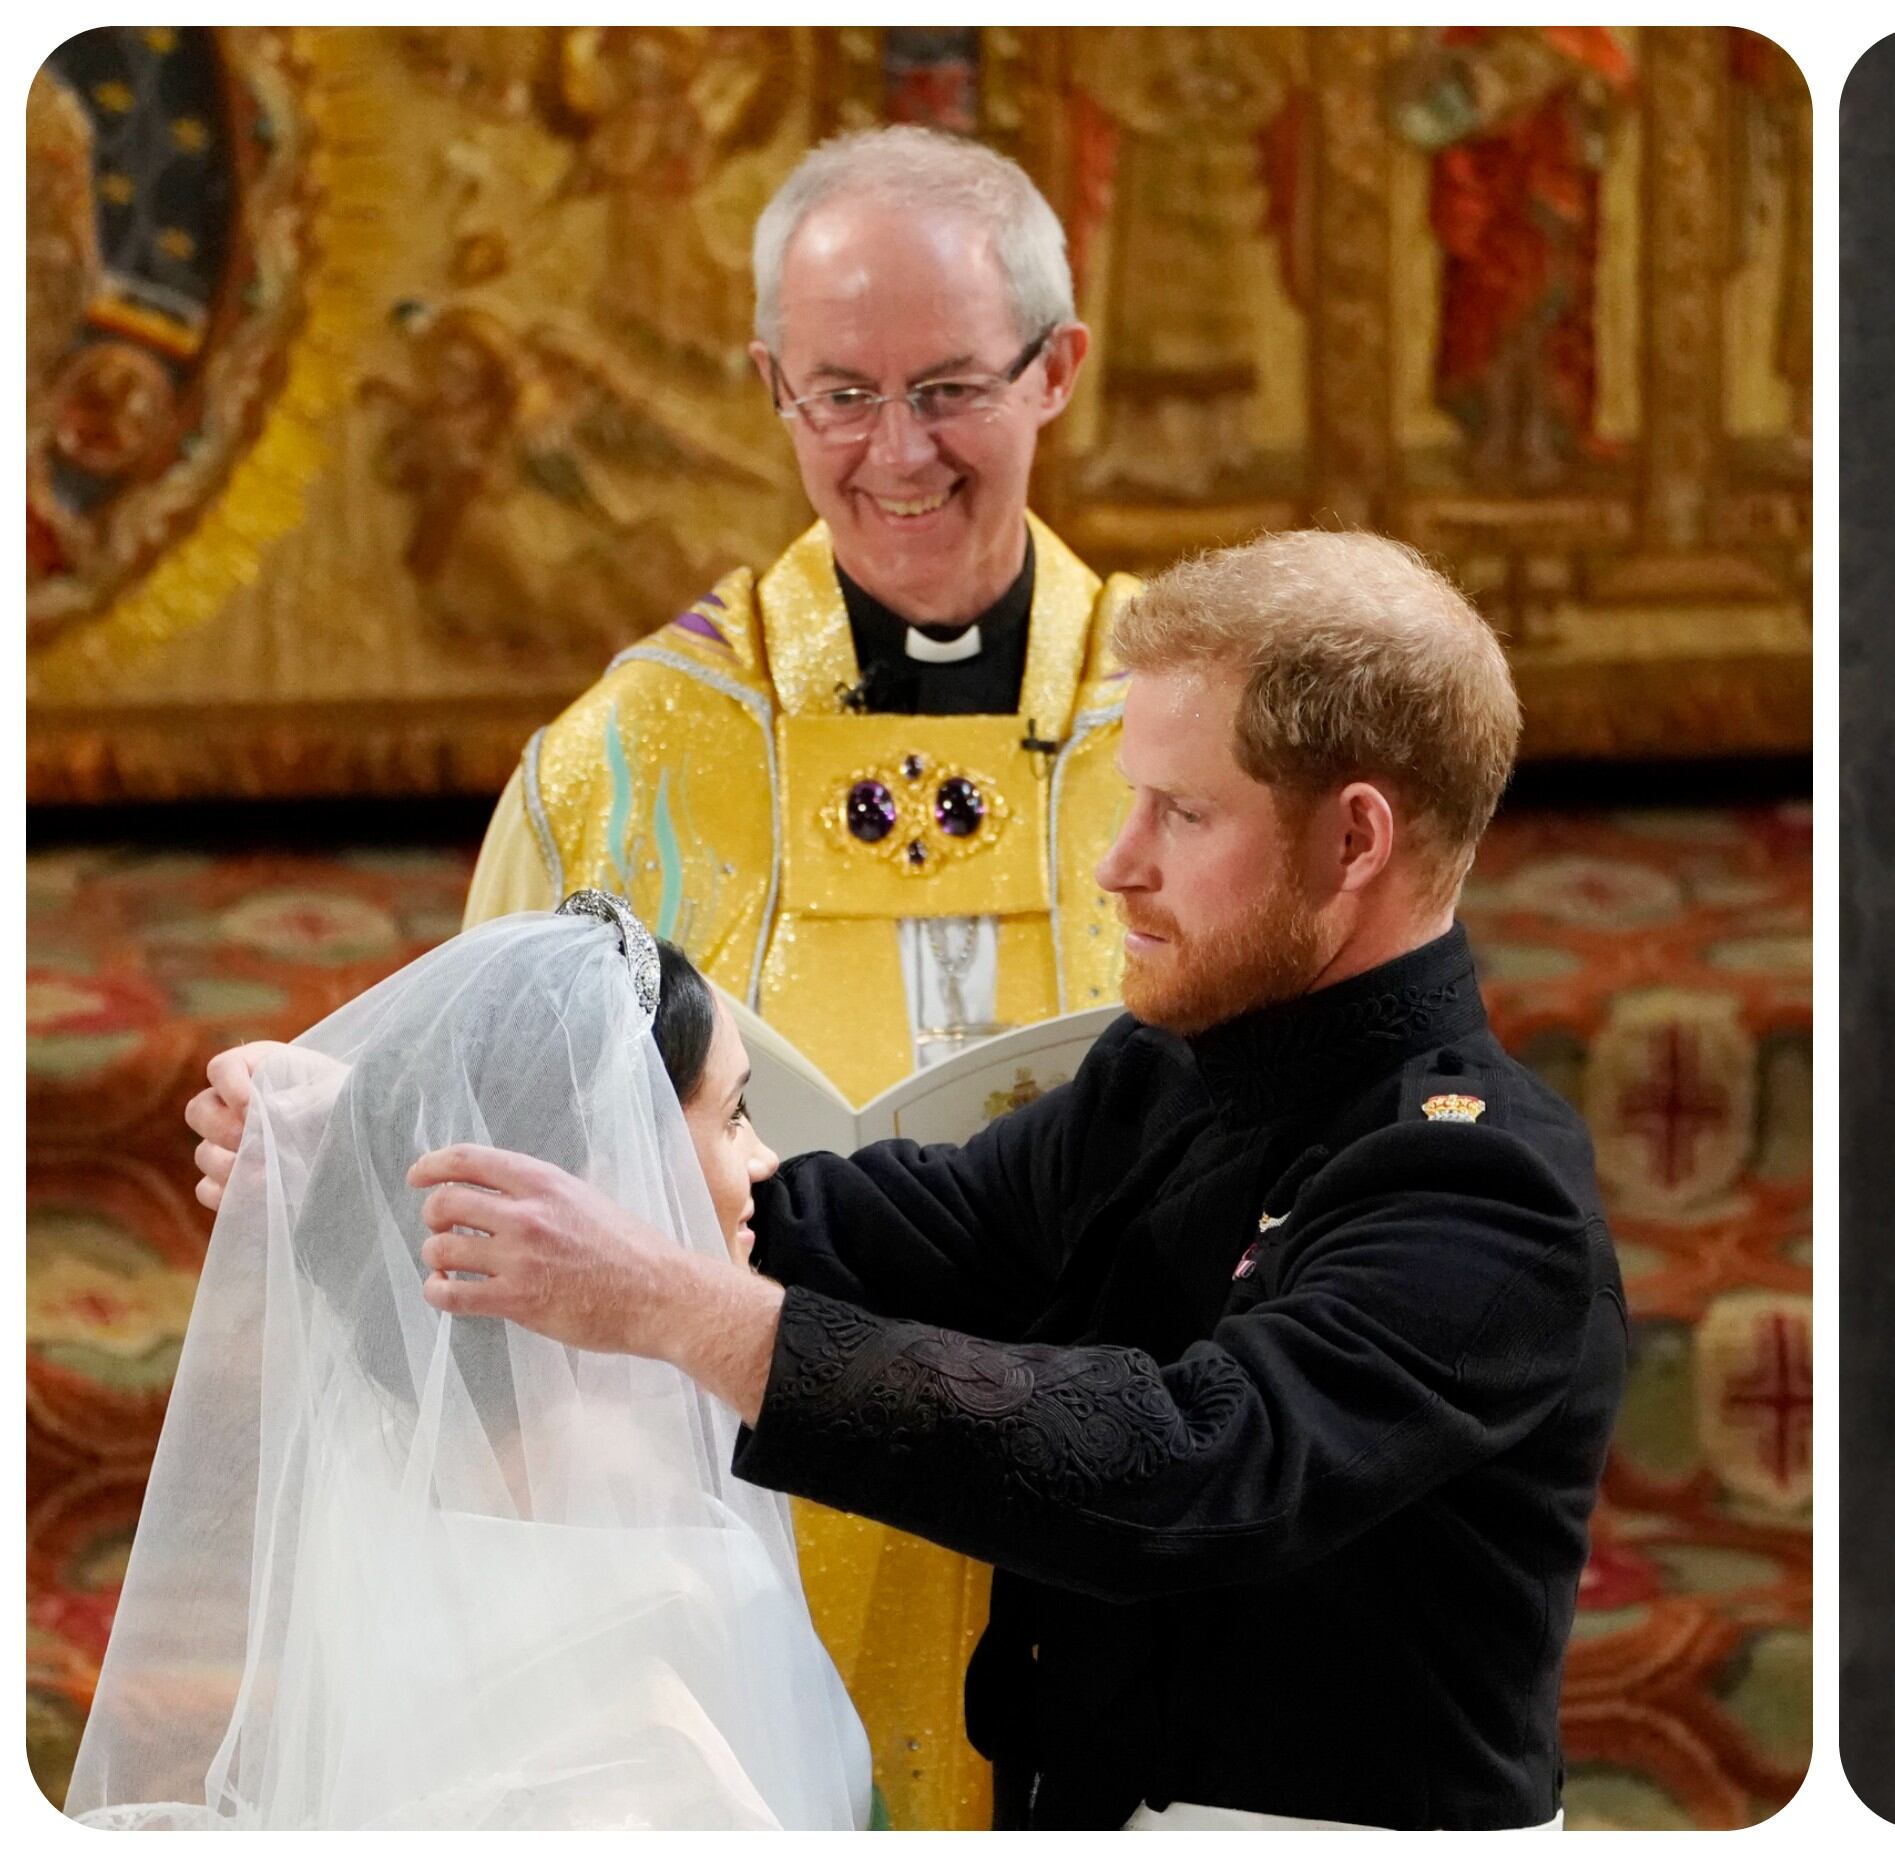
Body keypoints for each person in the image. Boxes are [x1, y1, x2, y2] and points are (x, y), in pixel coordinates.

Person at [191, 531, 1629, 1830]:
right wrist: (389, 1138)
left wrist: (680, 1307)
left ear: (1356, 839)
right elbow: (911, 1232)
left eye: (1182, 816)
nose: (1118, 864)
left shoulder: (1481, 1188)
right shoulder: (1175, 1069)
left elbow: (1188, 1465)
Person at [466, 122, 1142, 1828]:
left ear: (1056, 370)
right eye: (840, 394)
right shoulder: (620, 765)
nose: (896, 451)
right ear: (772, 385)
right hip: (741, 1515)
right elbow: (487, 1140)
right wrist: (320, 1128)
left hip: (1123, 1502)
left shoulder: (1196, 724)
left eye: (949, 390)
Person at [82, 894, 868, 1829]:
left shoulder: (422, 1459)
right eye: (733, 1114)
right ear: (608, 1164)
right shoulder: (660, 1573)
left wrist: (374, 1147)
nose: (769, 1158)